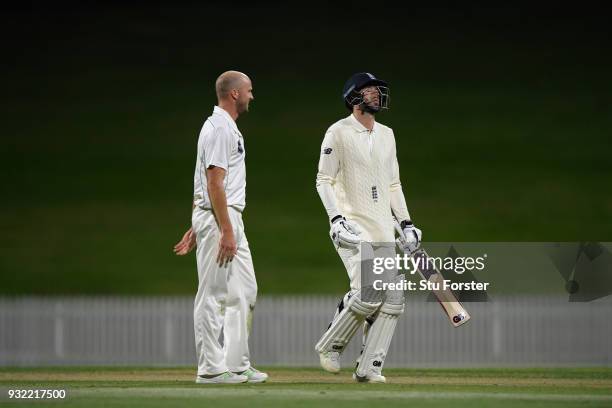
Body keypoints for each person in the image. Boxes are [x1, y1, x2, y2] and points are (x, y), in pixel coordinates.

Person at [314, 72, 422, 383]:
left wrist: (406, 223)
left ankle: (369, 367)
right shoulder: (338, 132)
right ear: (354, 97)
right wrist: (336, 219)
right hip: (352, 227)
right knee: (370, 292)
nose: (377, 95)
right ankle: (331, 346)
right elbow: (323, 180)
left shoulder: (387, 134)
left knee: (393, 298)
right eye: (370, 90)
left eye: (378, 90)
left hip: (383, 228)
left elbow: (393, 183)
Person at [173, 70, 268, 384]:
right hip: (221, 220)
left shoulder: (226, 128)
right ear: (235, 94)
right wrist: (222, 229)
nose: (253, 96)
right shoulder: (219, 129)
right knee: (213, 293)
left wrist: (197, 225)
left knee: (245, 291)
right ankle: (211, 369)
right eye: (250, 91)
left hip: (225, 217)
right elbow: (214, 182)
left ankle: (236, 364)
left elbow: (201, 180)